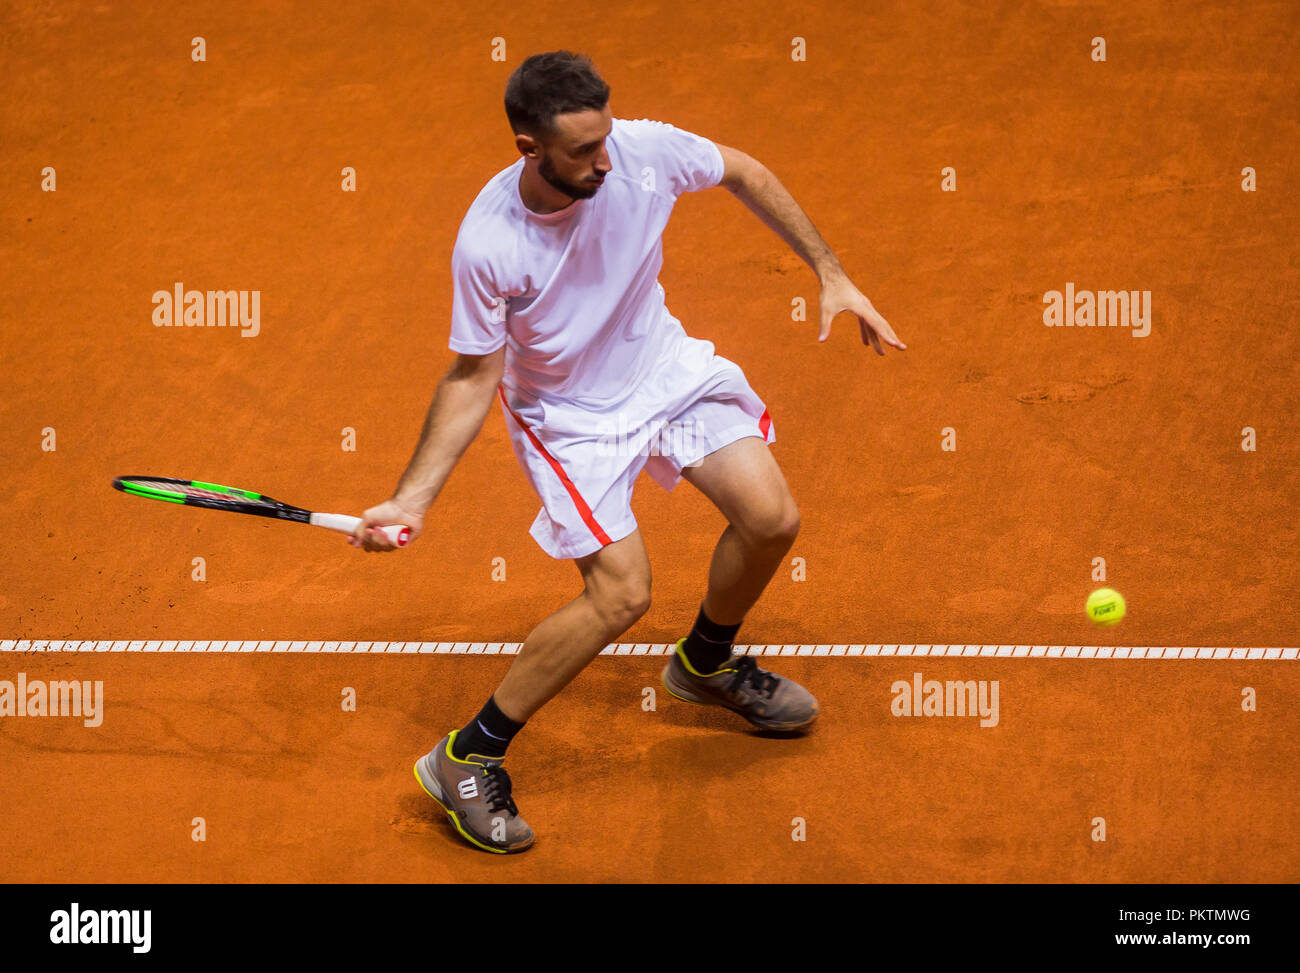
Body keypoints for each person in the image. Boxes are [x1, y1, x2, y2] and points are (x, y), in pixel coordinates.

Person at [351, 51, 905, 854]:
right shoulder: (489, 245)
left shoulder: (639, 153)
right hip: (568, 413)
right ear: (528, 149)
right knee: (620, 594)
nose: (603, 160)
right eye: (582, 150)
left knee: (772, 518)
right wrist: (412, 499)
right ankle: (466, 754)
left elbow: (743, 170)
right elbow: (475, 376)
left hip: (660, 366)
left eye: (604, 138)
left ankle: (705, 665)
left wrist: (831, 273)